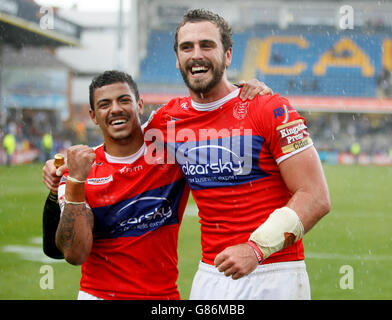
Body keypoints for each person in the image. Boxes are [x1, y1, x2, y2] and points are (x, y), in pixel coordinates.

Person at [146, 9, 331, 299]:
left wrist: (256, 249)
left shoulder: (268, 107)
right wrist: (65, 170)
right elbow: (117, 153)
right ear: (178, 58)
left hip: (274, 273)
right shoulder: (166, 120)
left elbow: (316, 196)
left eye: (207, 45)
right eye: (187, 47)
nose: (196, 54)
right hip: (210, 275)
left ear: (228, 55)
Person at [41, 71, 271, 300]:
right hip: (100, 296)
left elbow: (211, 113)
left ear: (139, 105)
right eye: (104, 104)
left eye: (124, 100)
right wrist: (76, 182)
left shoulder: (170, 149)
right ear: (93, 115)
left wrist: (246, 92)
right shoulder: (79, 170)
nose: (115, 109)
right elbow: (75, 253)